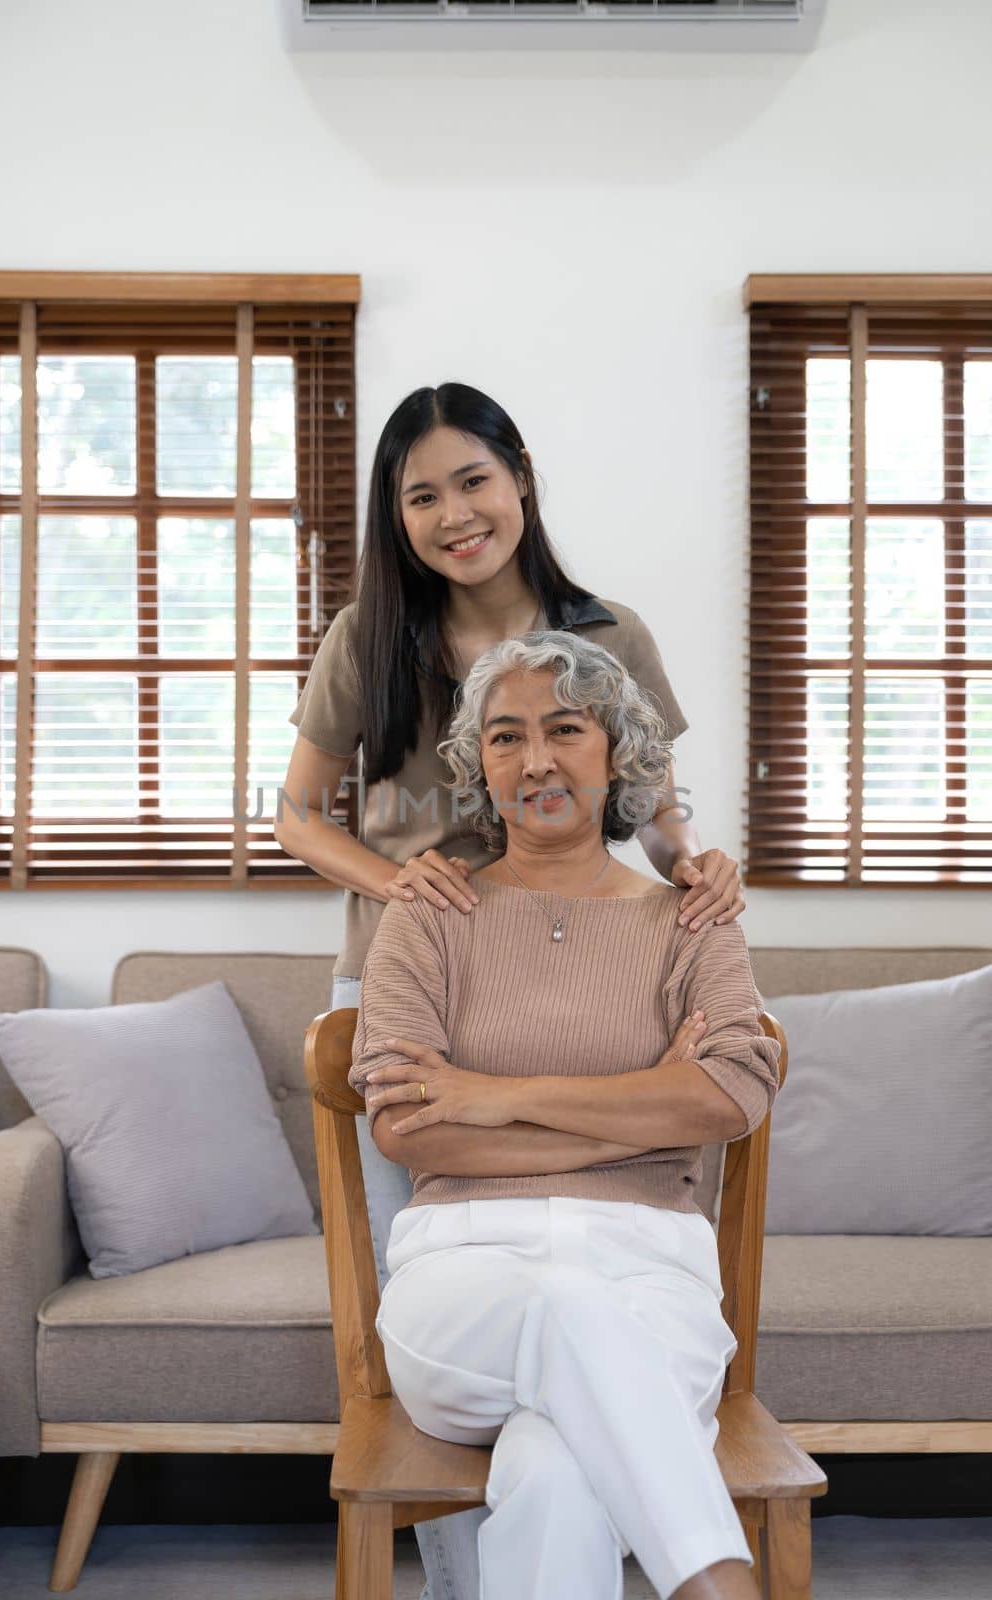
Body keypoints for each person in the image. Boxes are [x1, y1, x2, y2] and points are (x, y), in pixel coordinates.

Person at [276, 381, 749, 1600]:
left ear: (519, 478)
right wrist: (402, 884)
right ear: (398, 518)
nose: (452, 514)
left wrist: (686, 872)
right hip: (415, 958)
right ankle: (471, 1574)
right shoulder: (367, 639)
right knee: (443, 1258)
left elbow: (648, 799)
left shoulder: (609, 631)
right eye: (419, 496)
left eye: (470, 481)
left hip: (575, 955)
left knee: (547, 1339)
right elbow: (291, 815)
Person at [348, 630, 780, 1600]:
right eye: (505, 737)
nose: (535, 758)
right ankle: (716, 1583)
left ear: (616, 751)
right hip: (459, 1286)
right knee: (572, 1310)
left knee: (551, 1468)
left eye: (563, 728)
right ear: (479, 768)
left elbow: (729, 1095)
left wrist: (495, 1096)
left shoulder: (690, 918)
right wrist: (642, 1113)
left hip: (649, 1277)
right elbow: (405, 1127)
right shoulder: (425, 917)